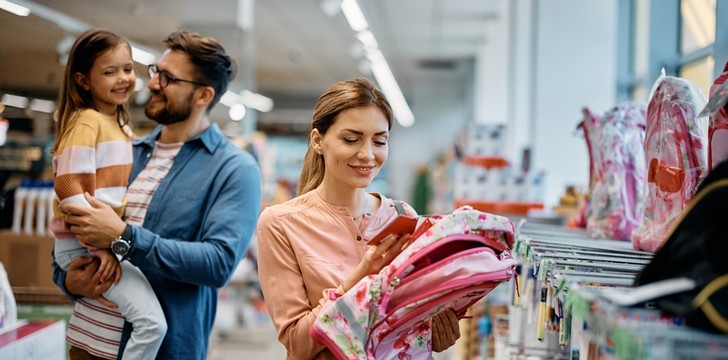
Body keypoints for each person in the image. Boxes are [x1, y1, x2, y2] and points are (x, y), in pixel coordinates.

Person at [52, 30, 261, 360]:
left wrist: (124, 237)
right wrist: (68, 281)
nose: (151, 84)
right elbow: (72, 230)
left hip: (161, 350)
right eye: (154, 72)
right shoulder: (125, 151)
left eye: (167, 78)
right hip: (87, 345)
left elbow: (217, 263)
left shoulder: (234, 169)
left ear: (203, 95)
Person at [256, 78, 460, 359]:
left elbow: (408, 323)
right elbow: (299, 343)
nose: (367, 155)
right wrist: (361, 277)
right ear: (318, 140)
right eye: (351, 139)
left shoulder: (403, 217)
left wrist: (434, 332)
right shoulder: (281, 223)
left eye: (380, 141)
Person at [49, 28, 166, 360]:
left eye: (128, 69)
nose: (123, 78)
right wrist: (100, 247)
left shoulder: (118, 123)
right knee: (152, 324)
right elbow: (70, 190)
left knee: (146, 320)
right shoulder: (86, 121)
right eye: (110, 71)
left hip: (97, 242)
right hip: (83, 245)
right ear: (84, 81)